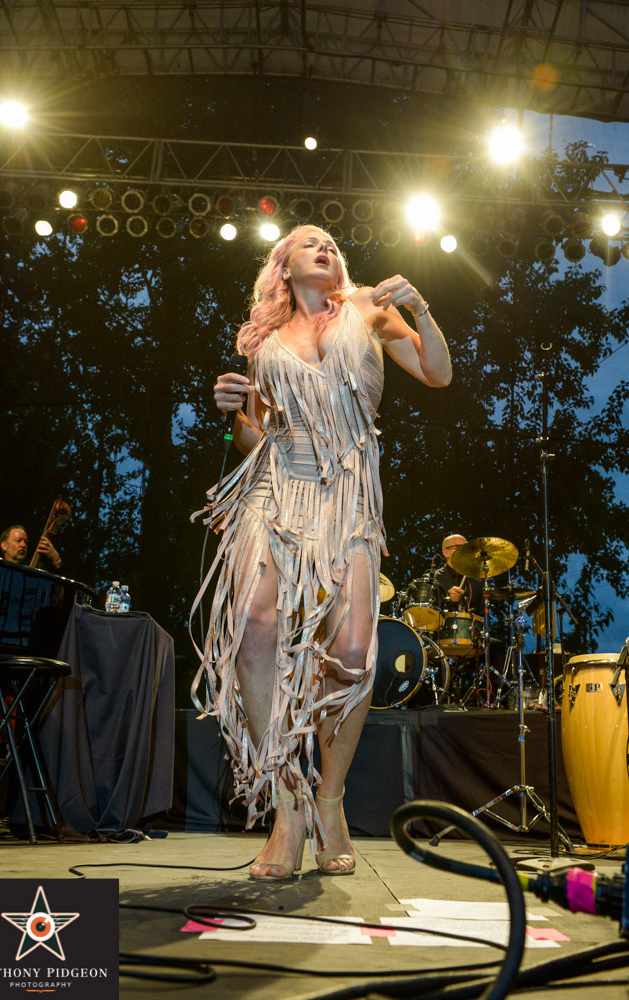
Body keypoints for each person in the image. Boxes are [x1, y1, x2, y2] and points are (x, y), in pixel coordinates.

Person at [190, 224, 452, 880]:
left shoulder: (368, 308)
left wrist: (420, 307)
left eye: (333, 244)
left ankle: (328, 800)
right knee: (252, 625)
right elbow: (256, 437)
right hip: (279, 491)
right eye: (309, 243)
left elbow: (436, 372)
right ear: (282, 265)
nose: (325, 249)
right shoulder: (263, 341)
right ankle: (288, 804)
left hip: (348, 496)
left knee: (355, 656)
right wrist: (232, 408)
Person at [433, 534, 483, 614]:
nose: (465, 551)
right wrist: (447, 597)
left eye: (466, 548)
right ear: (446, 552)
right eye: (460, 547)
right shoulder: (435, 578)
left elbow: (482, 617)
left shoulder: (476, 582)